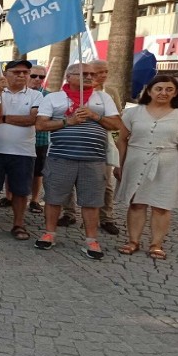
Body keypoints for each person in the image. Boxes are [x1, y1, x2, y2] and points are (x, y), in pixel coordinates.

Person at [33, 63, 122, 260]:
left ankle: (91, 240)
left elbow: (116, 124)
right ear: (68, 76)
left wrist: (94, 115)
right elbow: (40, 125)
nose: (90, 77)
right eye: (84, 74)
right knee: (54, 197)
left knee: (92, 201)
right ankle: (49, 233)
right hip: (60, 157)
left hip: (94, 159)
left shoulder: (103, 98)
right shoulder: (54, 98)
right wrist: (67, 121)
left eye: (92, 74)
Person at [114, 75, 178, 259]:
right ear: (149, 91)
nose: (163, 92)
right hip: (136, 160)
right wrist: (120, 164)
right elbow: (122, 140)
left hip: (170, 163)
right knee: (137, 203)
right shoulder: (133, 113)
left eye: (169, 89)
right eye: (159, 88)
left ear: (176, 92)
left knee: (162, 205)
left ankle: (156, 244)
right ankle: (133, 241)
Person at [0, 60, 43, 240]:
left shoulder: (36, 95)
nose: (22, 75)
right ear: (6, 73)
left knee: (20, 191)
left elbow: (33, 120)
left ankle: (18, 224)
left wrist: (4, 118)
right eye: (17, 72)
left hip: (23, 151)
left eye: (25, 72)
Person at [59, 60, 121, 233]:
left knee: (105, 183)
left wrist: (96, 117)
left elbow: (117, 119)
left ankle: (106, 217)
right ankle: (69, 213)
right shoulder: (65, 93)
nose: (102, 75)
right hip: (70, 144)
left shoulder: (109, 93)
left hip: (100, 144)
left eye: (105, 72)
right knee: (67, 181)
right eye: (98, 71)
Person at [27, 64, 49, 213]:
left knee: (37, 172)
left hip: (40, 139)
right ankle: (8, 197)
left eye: (41, 76)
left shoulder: (48, 95)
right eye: (34, 76)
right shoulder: (20, 93)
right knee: (12, 171)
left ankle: (34, 199)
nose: (37, 79)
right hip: (19, 138)